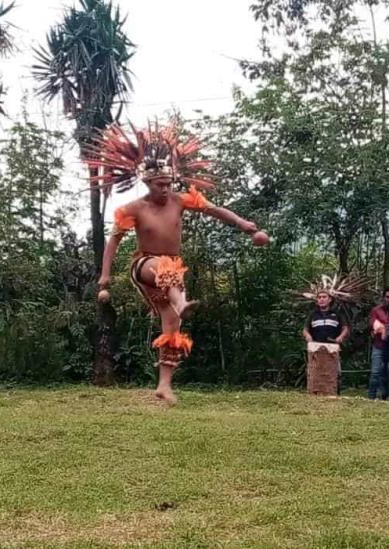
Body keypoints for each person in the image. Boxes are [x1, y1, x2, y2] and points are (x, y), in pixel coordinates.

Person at [93, 121, 269, 405]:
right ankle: (181, 302)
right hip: (145, 266)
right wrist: (105, 277)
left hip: (174, 269)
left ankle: (164, 386)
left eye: (169, 184)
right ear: (147, 183)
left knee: (172, 330)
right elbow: (113, 241)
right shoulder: (132, 209)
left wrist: (243, 224)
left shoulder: (179, 200)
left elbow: (214, 210)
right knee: (165, 271)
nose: (166, 189)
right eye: (160, 185)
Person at [302, 289, 349, 396]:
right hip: (316, 348)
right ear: (317, 300)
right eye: (319, 297)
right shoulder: (313, 315)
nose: (322, 299)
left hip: (332, 348)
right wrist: (308, 336)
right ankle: (315, 392)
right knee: (315, 370)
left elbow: (345, 328)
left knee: (334, 372)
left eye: (324, 297)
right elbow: (305, 329)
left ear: (330, 299)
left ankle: (333, 392)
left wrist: (340, 337)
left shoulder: (336, 314)